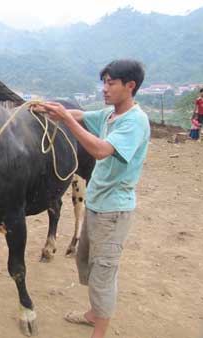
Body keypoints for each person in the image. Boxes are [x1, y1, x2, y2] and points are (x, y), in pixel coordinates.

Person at [31, 59, 150, 338]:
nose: (105, 89)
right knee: (87, 263)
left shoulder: (135, 121)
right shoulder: (111, 115)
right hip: (97, 204)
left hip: (114, 210)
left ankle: (99, 331)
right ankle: (94, 313)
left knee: (103, 274)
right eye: (104, 82)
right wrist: (52, 110)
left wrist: (67, 119)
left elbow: (99, 150)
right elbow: (82, 116)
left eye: (111, 83)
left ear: (130, 86)